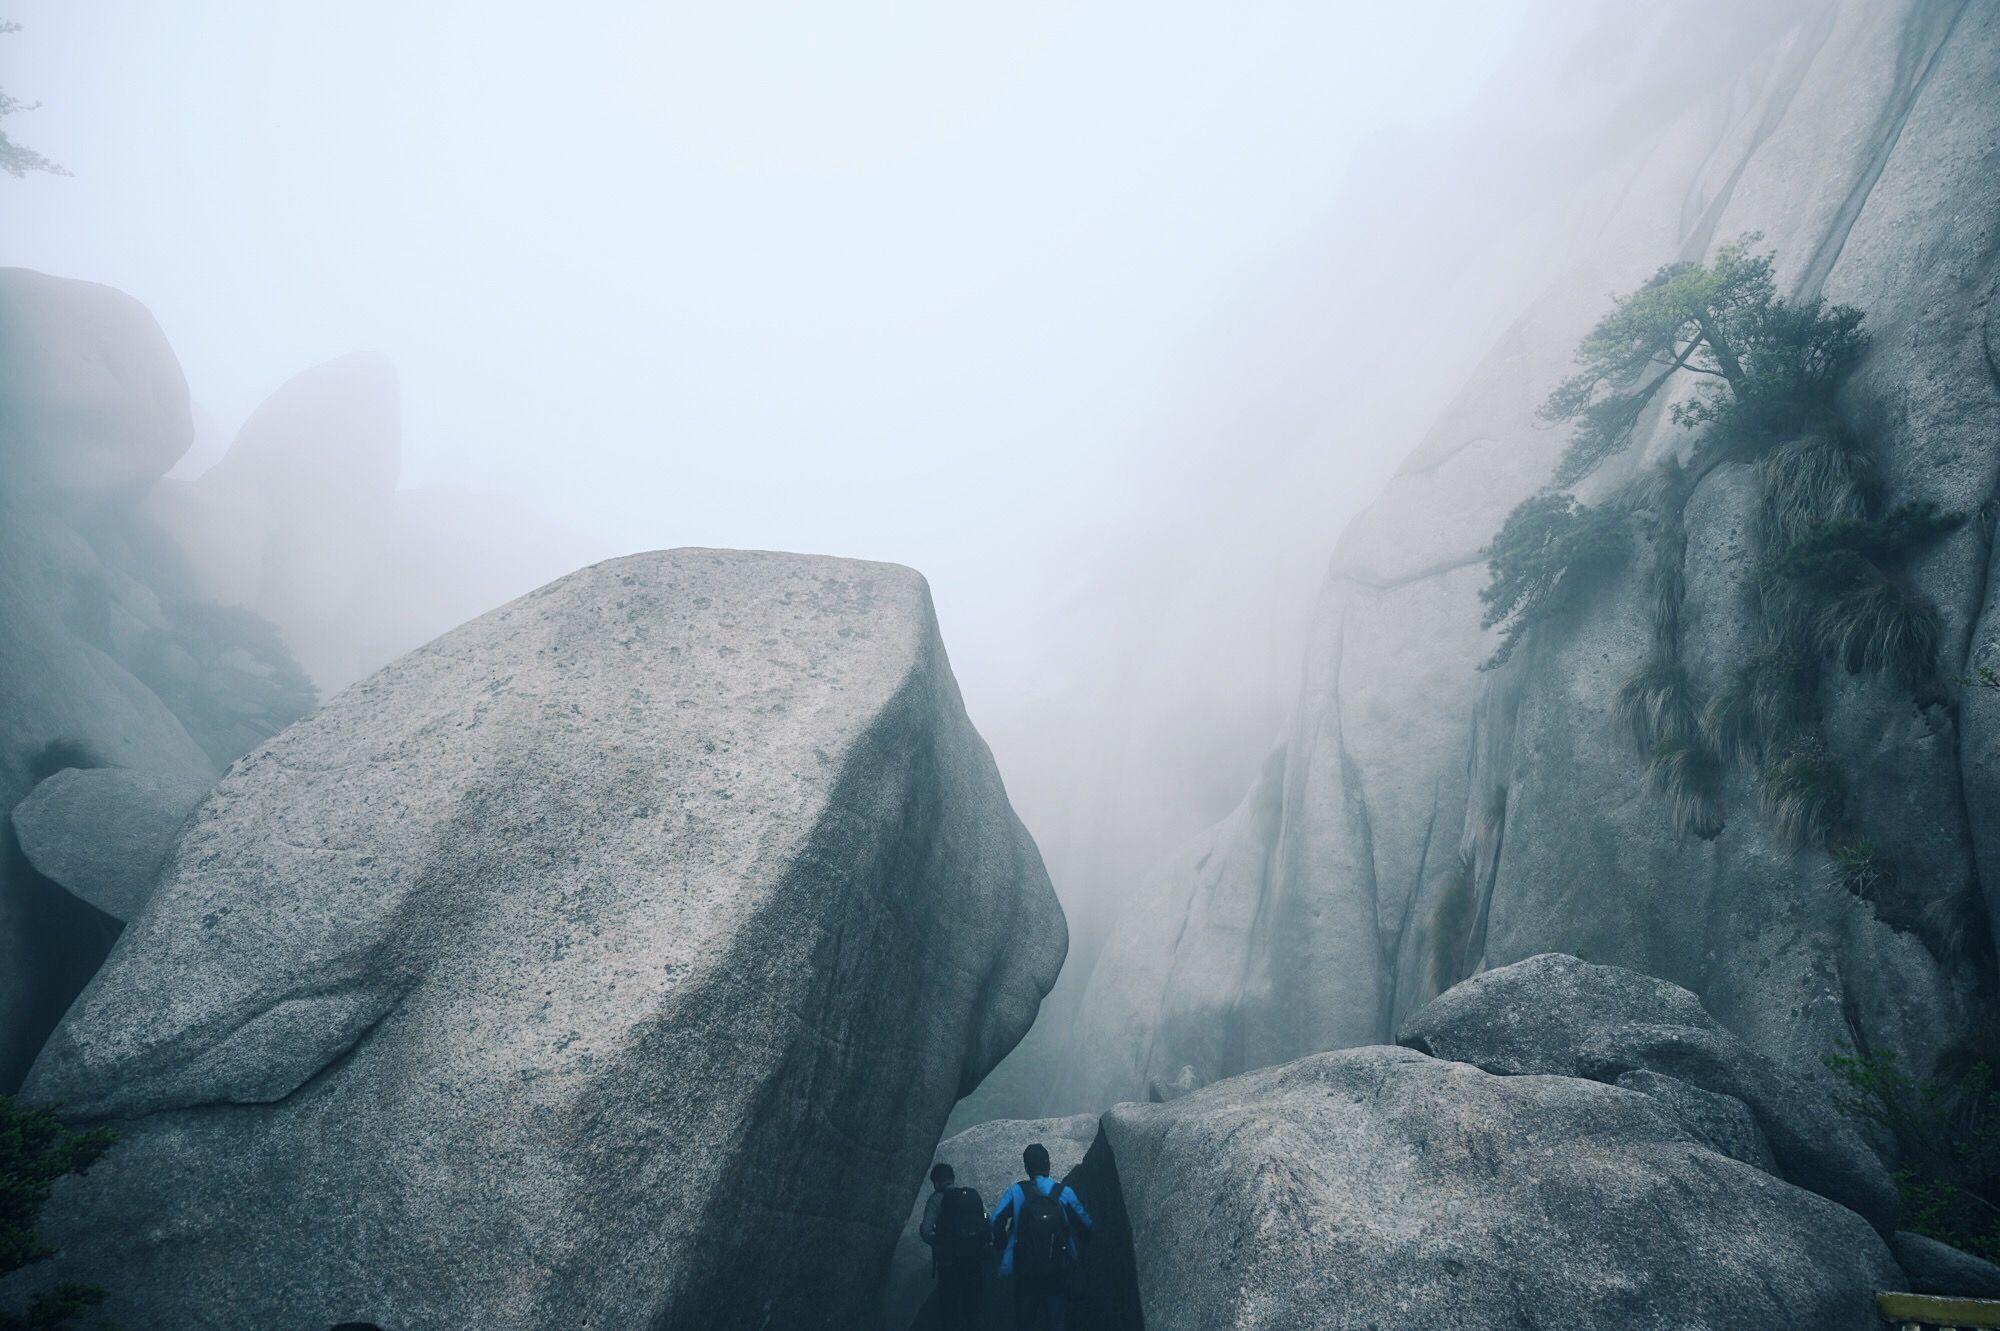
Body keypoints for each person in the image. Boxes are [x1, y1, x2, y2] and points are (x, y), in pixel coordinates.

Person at [987, 1143, 1093, 1331]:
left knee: (1025, 1321)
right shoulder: (1064, 1193)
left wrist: (1001, 1244)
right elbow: (1086, 1224)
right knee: (1057, 1320)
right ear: (1048, 1165)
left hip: (1025, 1269)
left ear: (1026, 1168)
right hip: (1058, 1270)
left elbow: (996, 1220)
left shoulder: (1016, 1191)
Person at [920, 1161, 988, 1330]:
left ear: (936, 1182)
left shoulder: (937, 1199)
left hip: (949, 1262)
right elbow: (988, 1219)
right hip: (973, 1259)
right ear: (953, 1178)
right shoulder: (971, 1195)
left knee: (950, 1308)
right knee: (973, 1306)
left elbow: (926, 1231)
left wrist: (942, 1242)